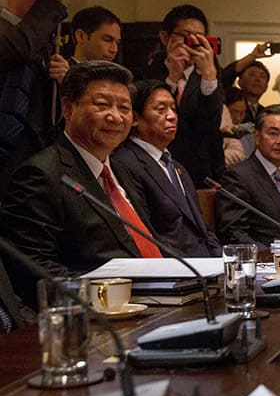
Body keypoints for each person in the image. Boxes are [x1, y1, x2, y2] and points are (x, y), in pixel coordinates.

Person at [0, 61, 161, 309]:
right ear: (67, 108)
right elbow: (32, 267)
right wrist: (107, 297)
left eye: (124, 108)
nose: (116, 116)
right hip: (97, 316)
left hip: (157, 300)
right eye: (102, 105)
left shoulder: (121, 170)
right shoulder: (41, 173)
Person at [113, 79, 221, 257]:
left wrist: (221, 258)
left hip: (206, 265)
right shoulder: (125, 163)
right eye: (161, 109)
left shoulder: (177, 166)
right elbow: (147, 233)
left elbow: (201, 228)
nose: (171, 116)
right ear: (135, 119)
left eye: (173, 108)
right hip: (175, 270)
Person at [0, 0, 72, 195]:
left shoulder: (45, 43)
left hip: (32, 166)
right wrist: (48, 2)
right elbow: (12, 50)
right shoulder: (21, 38)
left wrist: (63, 82)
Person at [146, 4, 225, 187]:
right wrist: (172, 78)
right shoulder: (149, 70)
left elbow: (211, 124)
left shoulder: (210, 72)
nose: (194, 44)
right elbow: (150, 120)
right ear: (165, 37)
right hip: (156, 170)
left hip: (202, 173)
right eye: (186, 37)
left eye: (200, 38)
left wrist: (208, 76)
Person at [215, 105, 280, 249]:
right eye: (273, 133)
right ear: (257, 137)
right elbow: (233, 232)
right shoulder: (238, 177)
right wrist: (269, 255)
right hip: (262, 265)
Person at [236, 61, 270, 125]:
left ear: (266, 87)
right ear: (239, 82)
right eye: (252, 75)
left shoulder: (266, 113)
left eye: (262, 76)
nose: (258, 79)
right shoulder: (230, 106)